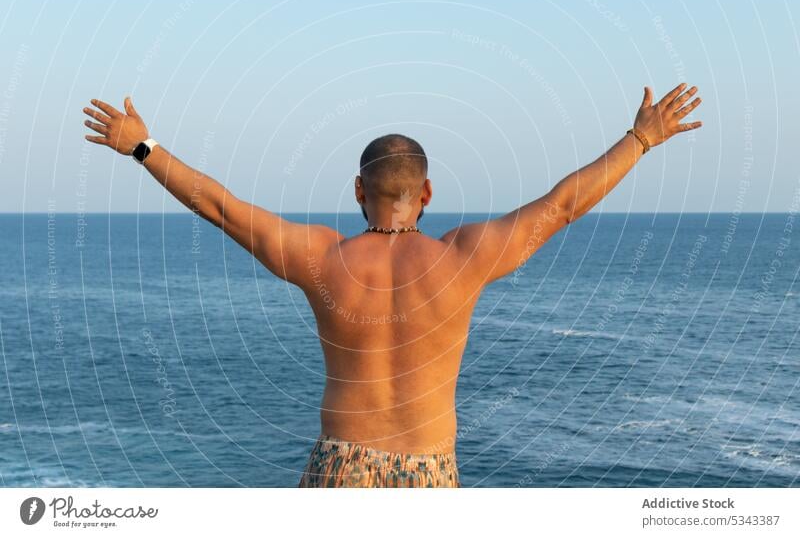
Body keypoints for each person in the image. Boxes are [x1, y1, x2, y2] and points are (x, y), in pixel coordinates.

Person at [83, 83, 702, 487]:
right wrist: (642, 138)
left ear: (359, 190)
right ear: (426, 194)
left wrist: (143, 146)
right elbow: (563, 205)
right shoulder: (465, 257)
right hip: (430, 475)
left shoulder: (322, 259)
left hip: (339, 469)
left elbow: (220, 207)